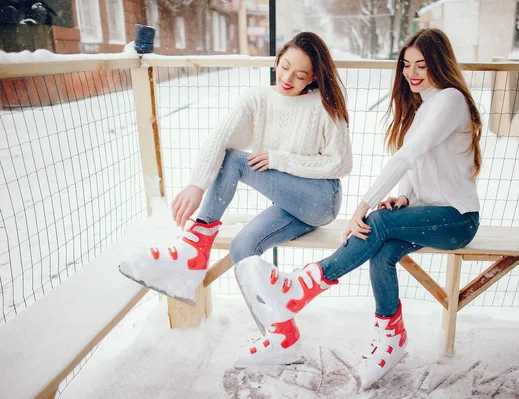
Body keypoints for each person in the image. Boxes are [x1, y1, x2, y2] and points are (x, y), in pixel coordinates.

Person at [234, 28, 482, 389]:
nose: (412, 73)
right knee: (380, 252)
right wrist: (405, 198)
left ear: (439, 65)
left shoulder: (449, 100)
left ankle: (302, 286)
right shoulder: (425, 107)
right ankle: (391, 336)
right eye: (407, 65)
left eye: (422, 65)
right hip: (429, 215)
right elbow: (418, 166)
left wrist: (362, 208)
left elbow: (407, 156)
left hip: (457, 220)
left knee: (375, 222)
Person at [118, 32, 353, 304]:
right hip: (291, 206)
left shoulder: (324, 105)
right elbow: (221, 138)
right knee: (242, 248)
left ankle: (194, 250)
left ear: (313, 77)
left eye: (300, 75)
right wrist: (197, 185)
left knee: (235, 161)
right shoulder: (257, 99)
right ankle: (277, 324)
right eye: (285, 67)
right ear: (278, 60)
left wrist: (281, 160)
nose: (287, 79)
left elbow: (341, 163)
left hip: (322, 197)